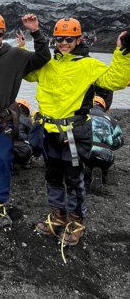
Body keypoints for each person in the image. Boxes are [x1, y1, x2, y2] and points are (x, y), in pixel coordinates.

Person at [25, 17, 130, 246]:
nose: (63, 43)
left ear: (78, 39)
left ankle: (76, 222)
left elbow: (117, 80)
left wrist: (122, 52)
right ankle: (57, 216)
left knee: (73, 179)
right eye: (60, 38)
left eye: (69, 39)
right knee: (52, 176)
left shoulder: (89, 65)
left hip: (74, 133)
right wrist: (23, 48)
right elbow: (26, 73)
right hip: (49, 132)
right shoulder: (48, 64)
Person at [0, 12, 51, 229]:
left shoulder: (15, 55)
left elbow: (43, 58)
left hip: (5, 120)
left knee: (3, 162)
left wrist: (35, 31)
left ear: (3, 34)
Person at [85, 95, 124, 195]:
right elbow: (119, 141)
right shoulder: (111, 120)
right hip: (105, 155)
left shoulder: (83, 115)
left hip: (85, 151)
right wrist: (109, 145)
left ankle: (81, 171)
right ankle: (99, 171)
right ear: (105, 108)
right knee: (101, 160)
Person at [13, 98, 33, 169]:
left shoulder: (8, 117)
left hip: (8, 149)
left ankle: (10, 165)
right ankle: (26, 162)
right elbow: (31, 136)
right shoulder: (27, 120)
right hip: (23, 150)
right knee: (32, 141)